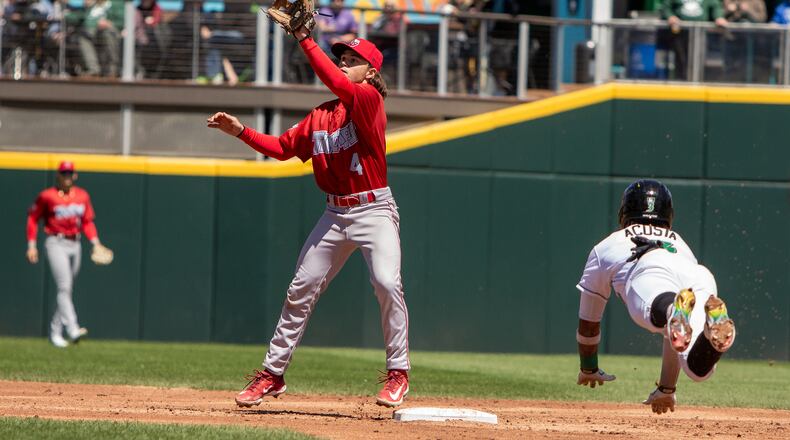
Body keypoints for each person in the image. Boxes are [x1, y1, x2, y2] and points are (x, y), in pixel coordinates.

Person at [207, 30, 410, 408]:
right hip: (335, 213)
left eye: (352, 61)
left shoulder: (368, 100)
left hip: (373, 209)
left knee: (386, 281)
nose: (343, 64)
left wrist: (304, 38)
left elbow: (333, 79)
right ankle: (272, 374)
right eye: (342, 58)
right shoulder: (320, 115)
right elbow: (283, 149)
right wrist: (241, 132)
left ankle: (398, 372)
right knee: (300, 290)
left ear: (370, 73)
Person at [574, 179, 736, 414]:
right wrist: (666, 389)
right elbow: (673, 335)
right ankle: (713, 331)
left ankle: (673, 310)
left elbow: (589, 321)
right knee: (697, 370)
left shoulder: (607, 246)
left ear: (624, 211)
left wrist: (588, 367)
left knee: (667, 313)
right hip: (699, 277)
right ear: (668, 214)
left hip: (650, 269)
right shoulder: (680, 243)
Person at [26, 161, 112, 348]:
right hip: (55, 242)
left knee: (66, 290)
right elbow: (33, 218)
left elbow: (87, 222)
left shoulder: (82, 196)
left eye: (69, 173)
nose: (66, 176)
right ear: (58, 175)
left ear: (75, 175)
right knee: (64, 287)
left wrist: (95, 242)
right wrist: (32, 245)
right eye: (63, 173)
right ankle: (72, 328)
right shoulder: (47, 196)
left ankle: (55, 332)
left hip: (76, 243)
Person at [660, 0, 728, 80]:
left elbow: (715, 6)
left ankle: (697, 82)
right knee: (681, 60)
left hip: (700, 32)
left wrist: (718, 17)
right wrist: (670, 16)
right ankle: (681, 83)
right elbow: (665, 7)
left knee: (699, 61)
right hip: (680, 33)